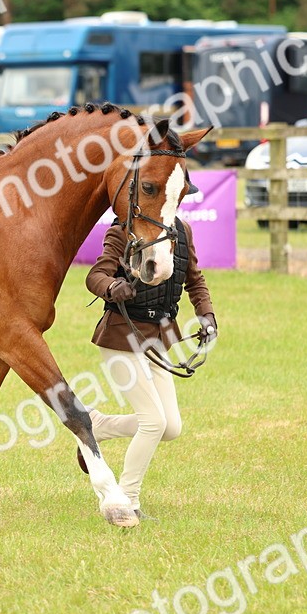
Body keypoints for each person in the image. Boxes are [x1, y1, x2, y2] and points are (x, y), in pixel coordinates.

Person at [80, 214, 217, 520]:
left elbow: (195, 280)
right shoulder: (123, 230)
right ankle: (127, 501)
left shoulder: (183, 231)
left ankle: (96, 426)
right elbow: (95, 276)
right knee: (153, 422)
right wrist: (113, 286)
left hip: (160, 338)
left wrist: (206, 314)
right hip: (121, 335)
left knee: (170, 428)